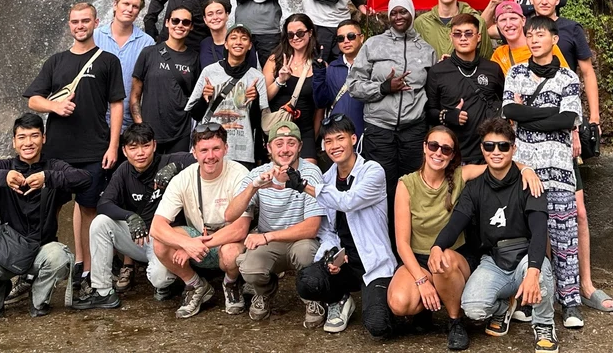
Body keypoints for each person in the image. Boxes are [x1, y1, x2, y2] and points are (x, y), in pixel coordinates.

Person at [388, 128, 544, 349]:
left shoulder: (462, 175)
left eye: (446, 149)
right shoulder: (406, 184)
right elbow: (402, 243)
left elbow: (497, 162)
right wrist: (422, 282)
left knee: (442, 261)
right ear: (424, 147)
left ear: (452, 155)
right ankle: (427, 307)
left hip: (453, 257)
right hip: (420, 260)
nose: (438, 153)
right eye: (433, 146)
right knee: (399, 303)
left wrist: (526, 169)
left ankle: (455, 321)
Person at [429, 118, 559, 353]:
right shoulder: (475, 187)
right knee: (473, 308)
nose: (496, 152)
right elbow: (456, 222)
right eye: (489, 146)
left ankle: (544, 324)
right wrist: (437, 246)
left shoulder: (530, 182)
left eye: (503, 146)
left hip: (525, 256)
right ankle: (504, 307)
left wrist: (533, 269)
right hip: (494, 260)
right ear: (482, 149)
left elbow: (540, 231)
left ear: (513, 148)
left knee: (540, 274)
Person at [24, 2, 124, 288]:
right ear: (69, 25)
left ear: (96, 22)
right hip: (56, 153)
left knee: (90, 210)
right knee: (46, 210)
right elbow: (33, 99)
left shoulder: (107, 61)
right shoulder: (56, 62)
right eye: (74, 22)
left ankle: (87, 272)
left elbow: (117, 105)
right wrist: (54, 106)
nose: (79, 26)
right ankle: (37, 266)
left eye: (85, 21)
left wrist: (113, 146)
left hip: (94, 150)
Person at [528, 0, 612, 313]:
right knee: (539, 215)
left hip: (567, 133)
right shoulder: (524, 26)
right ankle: (546, 288)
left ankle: (584, 284)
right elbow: (490, 31)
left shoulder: (570, 29)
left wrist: (591, 120)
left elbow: (586, 73)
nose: (545, 0)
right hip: (533, 142)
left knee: (577, 211)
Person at [0, 113, 90, 318]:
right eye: (22, 137)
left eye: (34, 136)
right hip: (7, 250)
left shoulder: (54, 167)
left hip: (41, 250)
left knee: (61, 258)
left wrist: (48, 178)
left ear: (43, 139)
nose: (28, 142)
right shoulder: (4, 167)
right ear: (14, 142)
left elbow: (84, 179)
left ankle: (38, 300)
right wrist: (3, 178)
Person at [503, 16, 584, 331]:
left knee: (565, 239)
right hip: (526, 172)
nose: (534, 39)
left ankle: (571, 302)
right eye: (530, 35)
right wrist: (551, 114)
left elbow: (569, 119)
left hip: (560, 170)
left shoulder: (567, 77)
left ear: (554, 39)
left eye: (541, 34)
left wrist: (530, 116)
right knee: (528, 238)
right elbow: (510, 112)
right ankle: (528, 298)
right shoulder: (516, 73)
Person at [293, 114, 396, 335]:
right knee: (308, 282)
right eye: (328, 141)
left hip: (373, 262)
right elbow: (328, 229)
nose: (334, 146)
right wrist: (331, 255)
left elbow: (348, 201)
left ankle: (386, 300)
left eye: (340, 138)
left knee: (379, 326)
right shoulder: (326, 178)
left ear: (353, 139)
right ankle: (339, 300)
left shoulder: (372, 171)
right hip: (345, 261)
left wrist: (304, 186)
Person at [225, 121, 325, 323]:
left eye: (291, 143)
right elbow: (230, 215)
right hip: (269, 245)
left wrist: (267, 236)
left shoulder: (311, 172)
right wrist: (254, 187)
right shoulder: (257, 173)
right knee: (249, 266)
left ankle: (311, 296)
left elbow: (312, 227)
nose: (285, 149)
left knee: (307, 253)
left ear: (299, 147)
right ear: (269, 148)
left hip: (301, 240)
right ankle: (265, 291)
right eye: (279, 143)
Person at [151, 123, 253, 318]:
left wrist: (196, 245)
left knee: (231, 252)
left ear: (226, 149)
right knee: (161, 243)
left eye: (216, 148)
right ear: (194, 153)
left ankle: (231, 283)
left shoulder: (240, 175)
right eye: (204, 150)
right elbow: (156, 226)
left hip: (228, 240)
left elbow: (240, 228)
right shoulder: (183, 178)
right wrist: (185, 243)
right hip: (198, 235)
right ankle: (196, 285)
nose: (210, 156)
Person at [72, 124, 178, 309]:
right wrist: (129, 216)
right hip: (138, 239)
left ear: (154, 145)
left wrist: (176, 167)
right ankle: (103, 292)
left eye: (145, 146)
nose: (140, 153)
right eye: (133, 147)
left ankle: (170, 282)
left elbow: (200, 159)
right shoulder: (123, 171)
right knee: (100, 222)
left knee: (160, 279)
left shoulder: (167, 161)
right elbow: (104, 204)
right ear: (124, 151)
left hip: (165, 240)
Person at [347, 0, 435, 204]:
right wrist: (383, 88)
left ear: (412, 13)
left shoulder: (426, 50)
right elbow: (353, 86)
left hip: (413, 130)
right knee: (381, 189)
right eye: (393, 12)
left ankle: (407, 236)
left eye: (403, 11)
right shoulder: (373, 45)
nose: (398, 17)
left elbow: (432, 91)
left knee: (413, 188)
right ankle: (383, 236)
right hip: (379, 130)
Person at [425, 14, 505, 165]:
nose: (463, 38)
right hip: (453, 154)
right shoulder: (437, 71)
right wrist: (447, 116)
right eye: (457, 34)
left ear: (479, 37)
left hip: (489, 152)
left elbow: (504, 102)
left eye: (468, 33)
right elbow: (429, 112)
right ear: (451, 37)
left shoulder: (493, 69)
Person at [185, 24, 267, 168]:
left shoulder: (256, 77)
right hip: (209, 148)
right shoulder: (209, 72)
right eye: (233, 38)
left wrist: (255, 100)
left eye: (244, 39)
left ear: (249, 46)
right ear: (226, 44)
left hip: (242, 151)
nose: (238, 42)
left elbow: (258, 124)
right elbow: (195, 114)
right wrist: (205, 99)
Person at [130, 5, 200, 154]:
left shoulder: (194, 58)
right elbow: (135, 94)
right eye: (175, 21)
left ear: (191, 27)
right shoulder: (149, 53)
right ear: (167, 22)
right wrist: (141, 126)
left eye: (185, 22)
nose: (180, 25)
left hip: (181, 132)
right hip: (150, 133)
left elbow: (196, 96)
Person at [94, 0, 156, 131]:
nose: (129, 9)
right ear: (115, 5)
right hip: (94, 118)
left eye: (135, 6)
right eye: (126, 4)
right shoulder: (95, 37)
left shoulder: (147, 43)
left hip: (129, 122)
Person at [263, 13, 323, 162]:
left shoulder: (319, 66)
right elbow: (263, 99)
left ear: (310, 33)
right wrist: (280, 80)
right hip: (278, 129)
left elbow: (320, 108)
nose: (295, 38)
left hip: (305, 131)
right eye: (291, 35)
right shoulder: (275, 60)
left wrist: (313, 140)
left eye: (300, 33)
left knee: (308, 176)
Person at [413, 0, 500, 60]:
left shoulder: (476, 21)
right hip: (432, 75)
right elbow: (415, 60)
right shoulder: (421, 23)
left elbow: (486, 60)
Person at [312, 19, 365, 135]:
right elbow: (321, 102)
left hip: (365, 133)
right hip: (338, 132)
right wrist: (319, 74)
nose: (346, 41)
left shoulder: (370, 65)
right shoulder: (332, 68)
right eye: (340, 38)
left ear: (361, 38)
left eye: (351, 36)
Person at [490, 1, 567, 74]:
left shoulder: (545, 46)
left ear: (523, 20)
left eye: (513, 19)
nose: (508, 24)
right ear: (497, 24)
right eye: (503, 20)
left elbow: (566, 78)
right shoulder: (499, 54)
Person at [199, 0, 238, 70]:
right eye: (210, 14)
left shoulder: (239, 42)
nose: (215, 17)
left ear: (227, 15)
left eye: (219, 13)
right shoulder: (204, 44)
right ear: (205, 19)